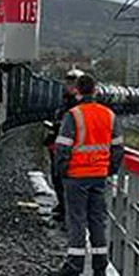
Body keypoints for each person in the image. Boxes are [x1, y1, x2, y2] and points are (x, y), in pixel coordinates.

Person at [51, 73, 124, 276]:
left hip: (76, 177)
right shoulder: (109, 115)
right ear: (96, 90)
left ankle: (74, 269)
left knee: (77, 222)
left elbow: (62, 148)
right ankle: (99, 274)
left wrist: (62, 172)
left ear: (78, 91)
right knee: (97, 222)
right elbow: (118, 148)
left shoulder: (73, 115)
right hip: (99, 176)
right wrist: (109, 169)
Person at [43, 68, 82, 223]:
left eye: (72, 82)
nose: (68, 85)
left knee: (66, 180)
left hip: (70, 150)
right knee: (58, 178)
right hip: (59, 147)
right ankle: (63, 207)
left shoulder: (78, 104)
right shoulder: (65, 102)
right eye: (68, 82)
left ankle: (67, 211)